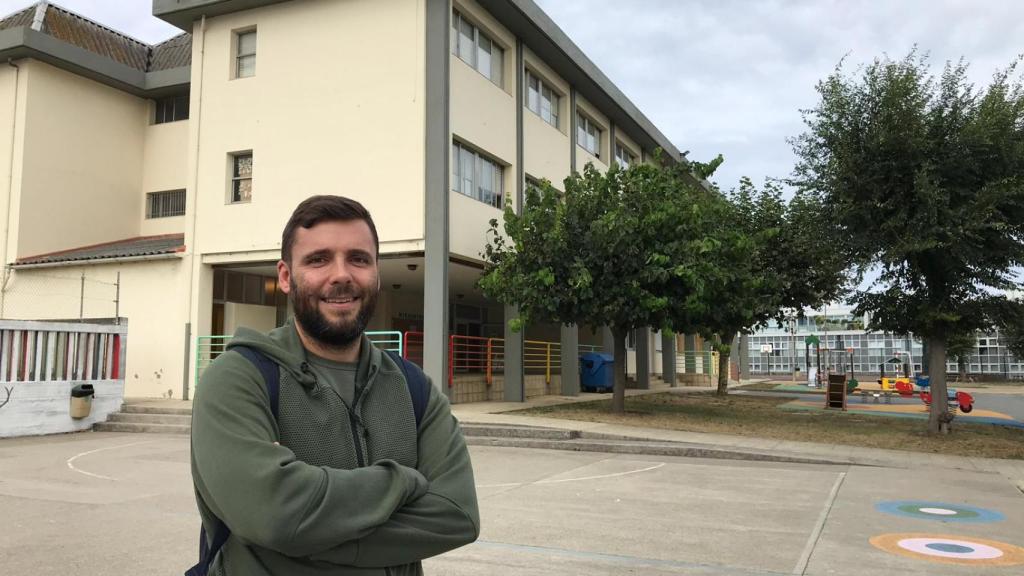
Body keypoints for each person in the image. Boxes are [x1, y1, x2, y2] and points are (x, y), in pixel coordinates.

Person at [190, 195, 479, 576]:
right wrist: (405, 483)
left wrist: (299, 541)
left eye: (358, 259)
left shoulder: (414, 389)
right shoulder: (238, 379)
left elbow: (458, 514)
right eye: (318, 259)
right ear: (285, 276)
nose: (341, 274)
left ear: (376, 272)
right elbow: (274, 516)